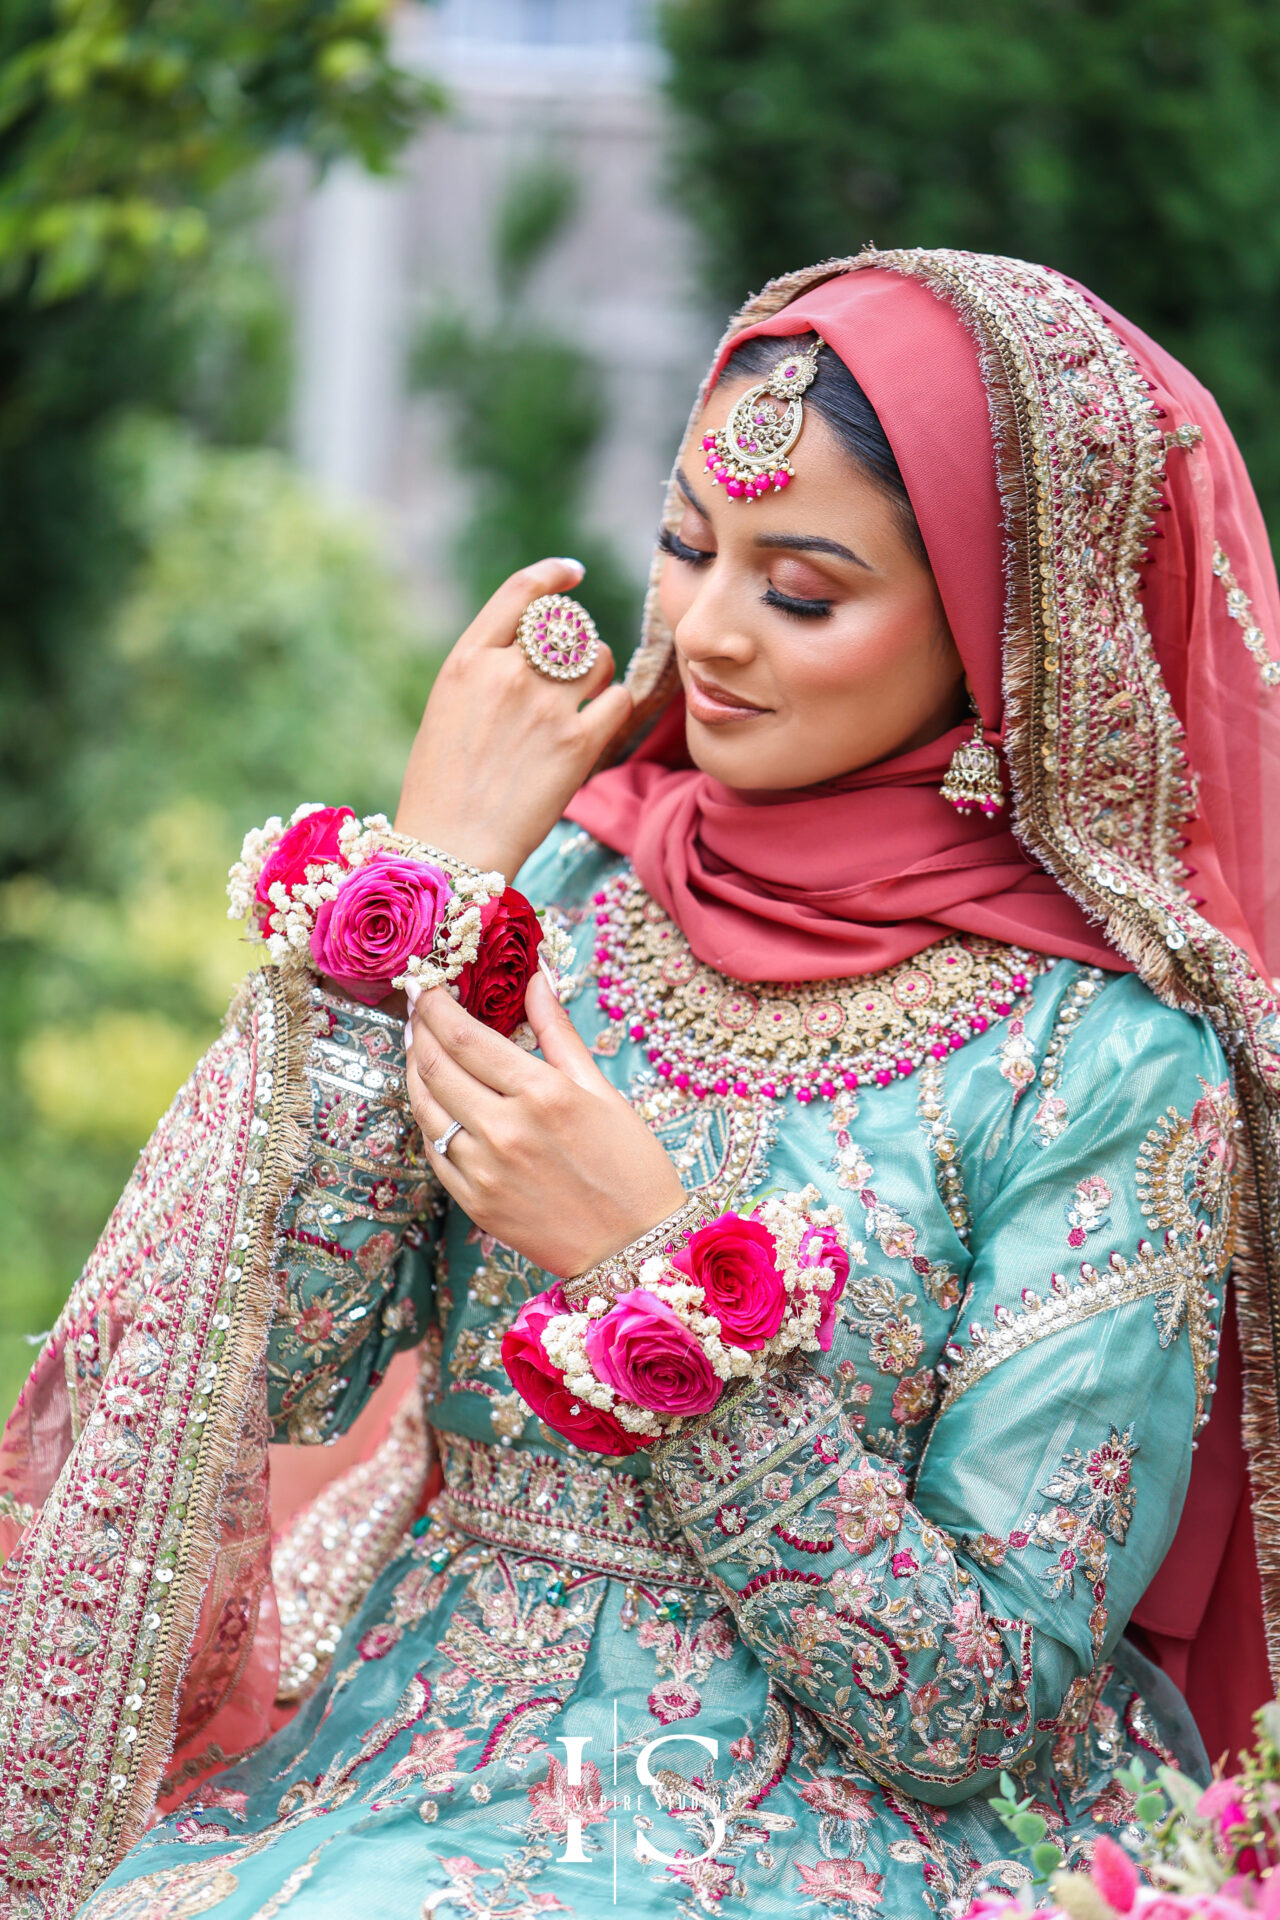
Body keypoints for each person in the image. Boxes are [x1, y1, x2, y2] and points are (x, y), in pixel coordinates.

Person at [2, 246, 1279, 1920]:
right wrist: (428, 892)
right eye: (686, 546)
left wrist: (648, 1271)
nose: (707, 631)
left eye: (803, 590)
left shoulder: (1102, 1062)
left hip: (839, 1840)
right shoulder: (580, 915)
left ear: (997, 634)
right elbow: (283, 1374)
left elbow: (972, 1700)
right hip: (405, 1761)